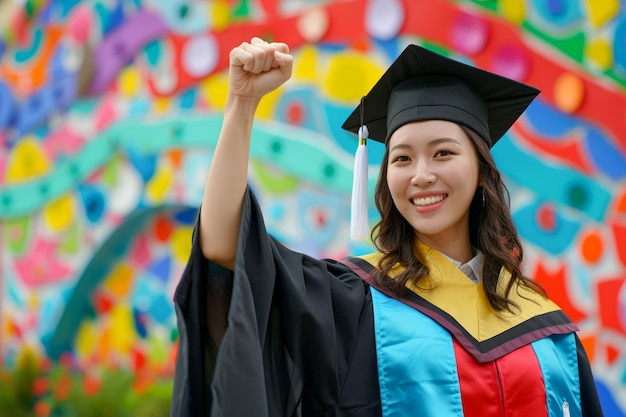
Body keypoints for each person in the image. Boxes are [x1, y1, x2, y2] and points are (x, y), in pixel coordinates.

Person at [170, 37, 604, 417]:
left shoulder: (543, 323)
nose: (420, 175)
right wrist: (241, 104)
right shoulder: (354, 301)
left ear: (481, 169)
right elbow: (225, 248)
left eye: (443, 153)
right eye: (402, 158)